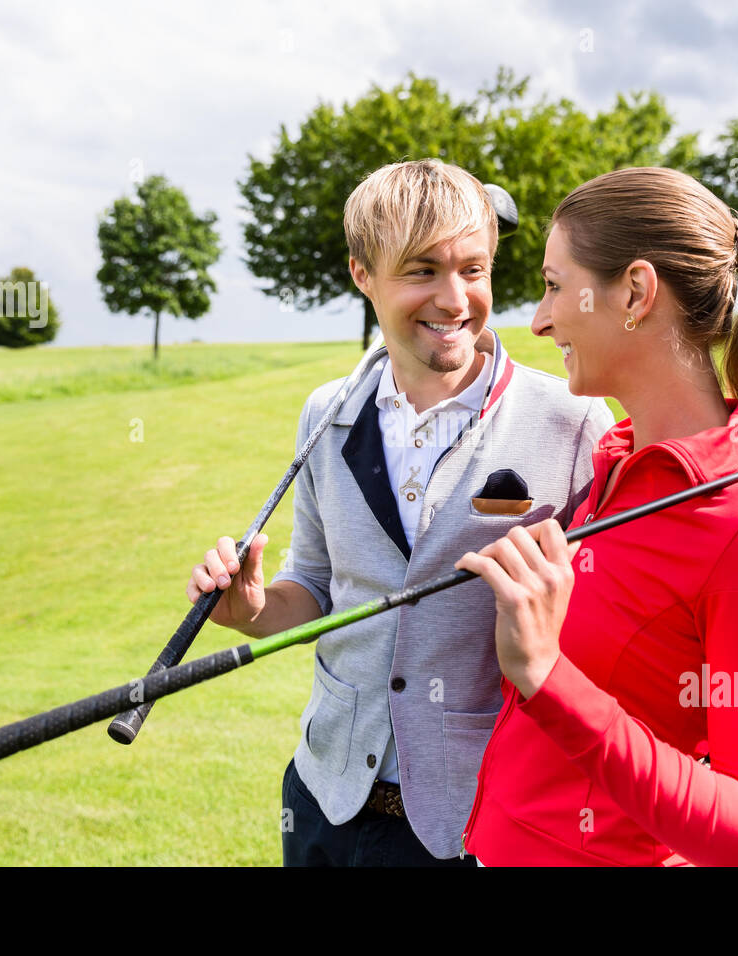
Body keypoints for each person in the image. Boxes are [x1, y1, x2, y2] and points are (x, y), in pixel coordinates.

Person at [187, 159, 614, 865]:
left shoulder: (572, 421)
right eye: (422, 271)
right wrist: (255, 610)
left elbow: (602, 633)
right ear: (362, 274)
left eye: (473, 270)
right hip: (326, 800)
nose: (455, 300)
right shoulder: (327, 413)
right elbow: (319, 586)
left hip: (475, 821)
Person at [455, 166, 738, 866]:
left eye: (552, 285)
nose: (539, 321)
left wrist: (548, 677)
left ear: (633, 293)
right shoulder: (615, 465)